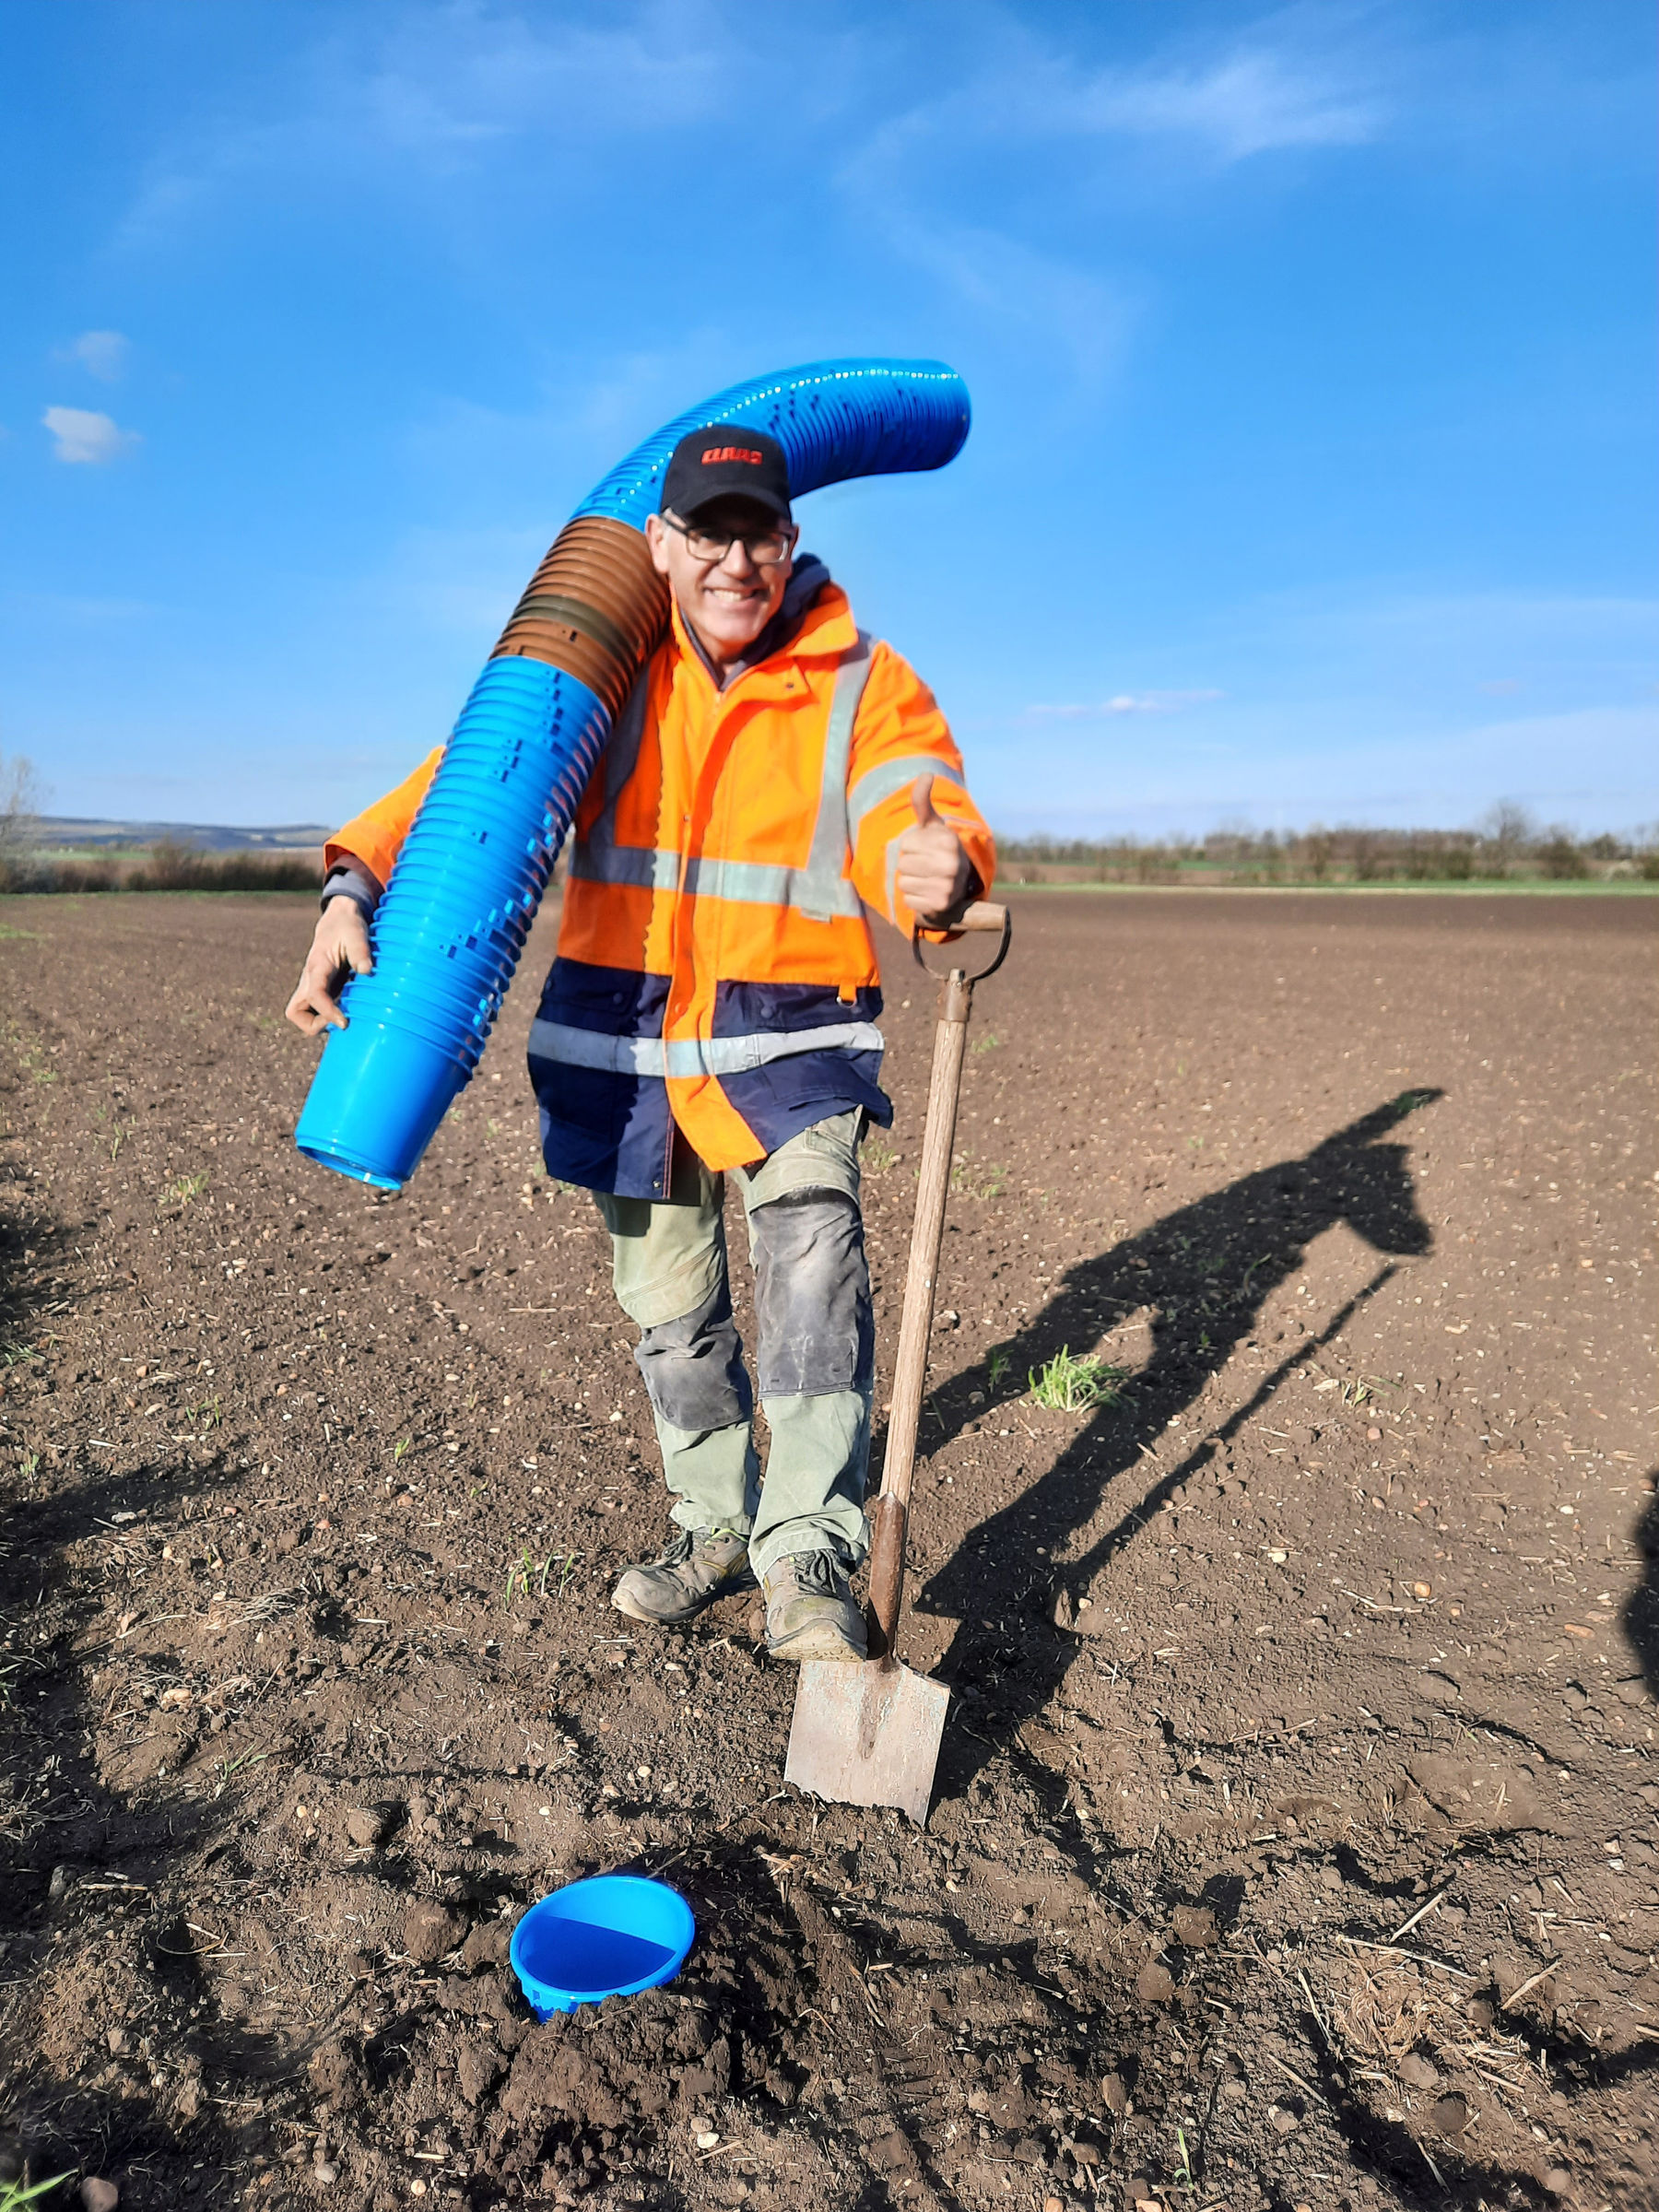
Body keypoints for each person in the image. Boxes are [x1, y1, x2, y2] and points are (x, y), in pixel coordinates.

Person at [286, 426, 994, 1662]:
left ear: (792, 541)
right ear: (663, 545)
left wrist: (938, 866)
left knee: (815, 1278)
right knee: (673, 1315)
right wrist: (353, 891)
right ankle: (716, 1524)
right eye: (708, 531)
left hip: (795, 1044)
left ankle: (807, 1555)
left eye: (758, 531)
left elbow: (909, 800)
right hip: (624, 1061)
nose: (735, 559)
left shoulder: (860, 679)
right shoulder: (598, 677)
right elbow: (464, 792)